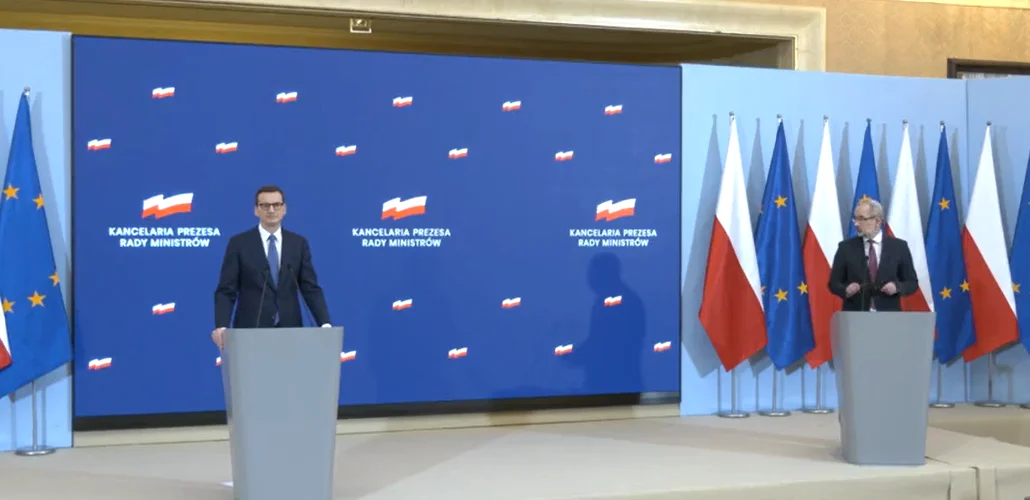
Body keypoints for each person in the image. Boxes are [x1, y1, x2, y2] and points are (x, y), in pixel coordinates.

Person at [211, 185, 332, 348]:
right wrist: (221, 326)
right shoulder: (239, 244)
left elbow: (310, 288)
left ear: (284, 209)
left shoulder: (298, 244)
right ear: (256, 210)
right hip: (250, 331)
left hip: (290, 331)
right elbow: (226, 290)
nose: (271, 210)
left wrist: (325, 324)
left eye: (276, 205)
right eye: (265, 205)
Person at [828, 198, 918, 311]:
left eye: (861, 219)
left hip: (888, 314)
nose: (856, 223)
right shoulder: (846, 248)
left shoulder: (899, 247)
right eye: (855, 218)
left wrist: (897, 287)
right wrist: (846, 289)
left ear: (877, 221)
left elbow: (912, 283)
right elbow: (834, 283)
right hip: (856, 314)